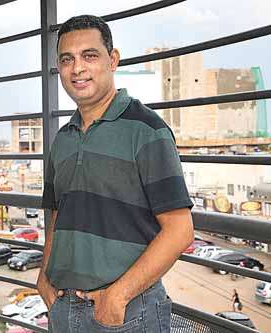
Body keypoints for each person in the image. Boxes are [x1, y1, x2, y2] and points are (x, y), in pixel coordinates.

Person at [37, 15, 194, 333]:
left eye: (89, 56)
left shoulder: (147, 130)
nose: (77, 68)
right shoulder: (63, 139)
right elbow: (57, 215)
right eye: (67, 59)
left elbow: (180, 231)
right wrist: (44, 275)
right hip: (65, 309)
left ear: (113, 60)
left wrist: (117, 297)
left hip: (127, 313)